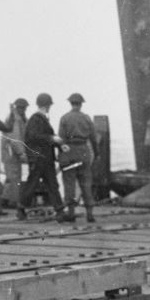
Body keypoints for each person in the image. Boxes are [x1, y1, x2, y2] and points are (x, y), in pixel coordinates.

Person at [57, 92, 97, 224]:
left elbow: (61, 139)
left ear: (70, 103)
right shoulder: (86, 118)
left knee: (69, 183)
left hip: (69, 152)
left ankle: (71, 213)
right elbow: (93, 138)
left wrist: (60, 155)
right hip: (83, 151)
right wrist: (96, 153)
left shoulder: (64, 118)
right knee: (86, 183)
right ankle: (90, 214)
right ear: (81, 104)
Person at [20, 93, 62, 217]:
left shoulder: (37, 119)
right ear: (47, 105)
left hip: (43, 158)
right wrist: (53, 139)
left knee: (50, 184)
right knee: (36, 184)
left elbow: (38, 137)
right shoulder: (36, 119)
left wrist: (57, 143)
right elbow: (34, 137)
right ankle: (21, 208)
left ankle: (59, 209)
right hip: (39, 158)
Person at [0, 98, 29, 216]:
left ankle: (7, 200)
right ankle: (13, 201)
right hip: (12, 154)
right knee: (15, 178)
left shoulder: (12, 118)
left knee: (11, 178)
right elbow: (16, 139)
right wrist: (22, 153)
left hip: (9, 153)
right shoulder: (16, 119)